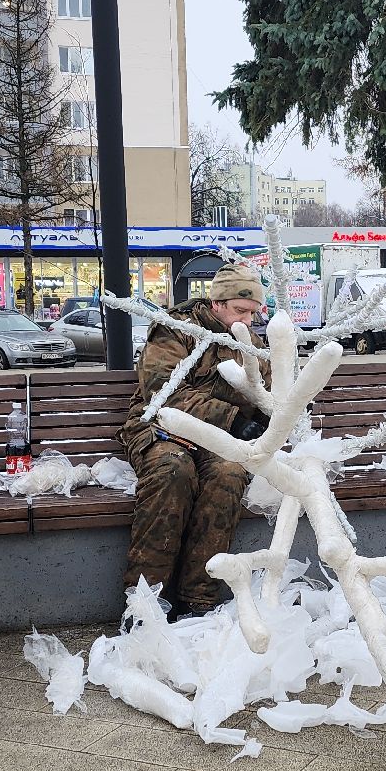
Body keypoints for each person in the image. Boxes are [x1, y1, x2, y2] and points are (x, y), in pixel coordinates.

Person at [120, 262, 271, 616]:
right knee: (173, 471)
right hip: (159, 428)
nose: (247, 320)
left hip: (216, 438)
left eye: (253, 313)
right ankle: (144, 605)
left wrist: (271, 415)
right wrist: (233, 419)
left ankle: (198, 601)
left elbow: (269, 389)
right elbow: (163, 393)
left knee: (229, 474)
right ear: (217, 303)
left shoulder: (249, 342)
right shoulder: (175, 331)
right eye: (240, 310)